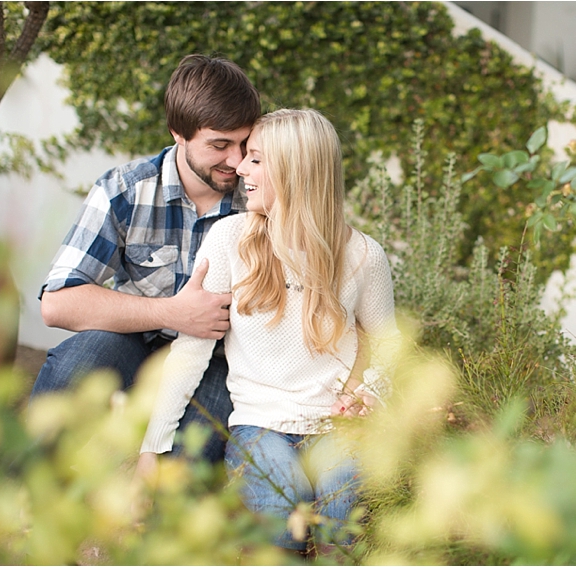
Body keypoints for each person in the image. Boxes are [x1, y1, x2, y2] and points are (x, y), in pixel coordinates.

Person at [136, 109, 400, 554]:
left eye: (256, 159)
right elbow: (190, 352)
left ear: (296, 171)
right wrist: (151, 449)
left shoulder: (363, 256)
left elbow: (390, 344)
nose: (239, 167)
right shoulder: (229, 240)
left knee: (341, 519)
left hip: (338, 427)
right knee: (282, 514)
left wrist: (371, 391)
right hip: (261, 425)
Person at [31, 54, 260, 463]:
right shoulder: (125, 190)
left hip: (214, 361)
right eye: (219, 145)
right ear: (179, 134)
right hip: (133, 345)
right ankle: (13, 490)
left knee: (188, 461)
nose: (237, 161)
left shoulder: (260, 200)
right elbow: (57, 302)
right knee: (79, 362)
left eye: (245, 144)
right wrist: (173, 312)